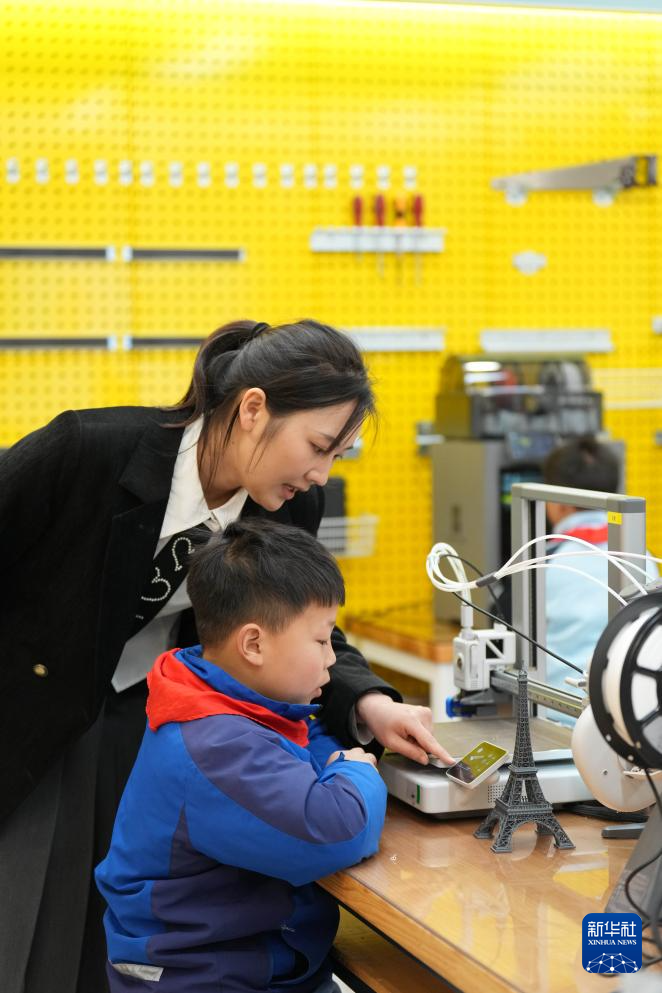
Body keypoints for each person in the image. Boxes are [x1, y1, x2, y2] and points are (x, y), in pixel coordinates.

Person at [0, 318, 452, 993]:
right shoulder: (88, 451)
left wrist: (370, 701)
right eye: (318, 446)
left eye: (337, 455)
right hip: (32, 717)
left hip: (155, 720)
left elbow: (303, 629)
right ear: (252, 409)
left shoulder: (289, 507)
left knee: (124, 933)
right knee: (32, 928)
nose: (320, 474)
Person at [96, 518, 387, 993]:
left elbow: (306, 738)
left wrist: (339, 763)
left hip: (256, 958)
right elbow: (336, 830)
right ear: (253, 644)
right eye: (321, 640)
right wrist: (356, 771)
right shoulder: (214, 745)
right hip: (203, 979)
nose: (332, 658)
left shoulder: (223, 697)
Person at [542, 435, 657, 721]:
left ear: (558, 503)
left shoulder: (542, 562)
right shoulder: (643, 557)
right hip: (632, 720)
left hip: (558, 719)